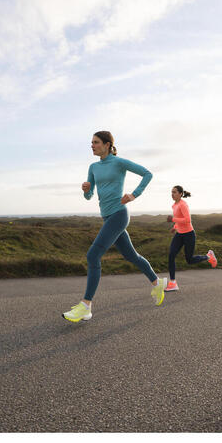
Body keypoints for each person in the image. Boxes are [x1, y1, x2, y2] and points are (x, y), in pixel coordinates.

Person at [63, 131, 166, 323]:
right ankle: (157, 282)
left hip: (119, 214)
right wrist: (86, 190)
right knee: (131, 256)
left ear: (107, 144)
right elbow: (89, 196)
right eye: (91, 142)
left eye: (96, 142)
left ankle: (86, 306)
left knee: (93, 255)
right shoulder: (93, 167)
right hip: (107, 216)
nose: (92, 145)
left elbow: (147, 174)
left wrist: (134, 195)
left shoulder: (119, 163)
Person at [165, 185, 217, 292]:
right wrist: (174, 227)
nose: (172, 194)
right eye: (171, 192)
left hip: (189, 234)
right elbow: (180, 219)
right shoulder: (174, 205)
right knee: (171, 255)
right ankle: (173, 282)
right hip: (179, 234)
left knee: (189, 260)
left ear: (180, 194)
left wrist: (173, 219)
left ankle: (208, 257)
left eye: (174, 192)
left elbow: (187, 220)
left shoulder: (183, 204)